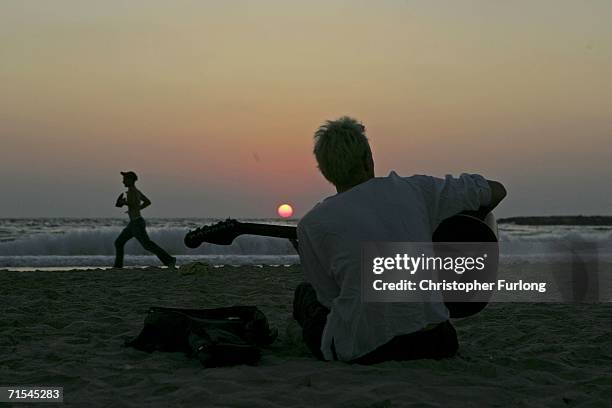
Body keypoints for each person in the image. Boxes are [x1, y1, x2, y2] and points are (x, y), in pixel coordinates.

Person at [293, 117, 506, 364]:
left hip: (367, 351)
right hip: (436, 340)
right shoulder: (415, 190)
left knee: (305, 295)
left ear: (326, 171)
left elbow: (330, 299)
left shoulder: (310, 225)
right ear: (368, 158)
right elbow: (497, 191)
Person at [113, 171, 176, 269]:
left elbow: (133, 204)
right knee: (119, 242)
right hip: (133, 223)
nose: (123, 182)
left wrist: (124, 203)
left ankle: (169, 260)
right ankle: (118, 266)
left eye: (124, 179)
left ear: (130, 180)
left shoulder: (132, 192)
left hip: (137, 224)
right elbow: (147, 202)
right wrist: (136, 208)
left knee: (147, 245)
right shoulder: (136, 191)